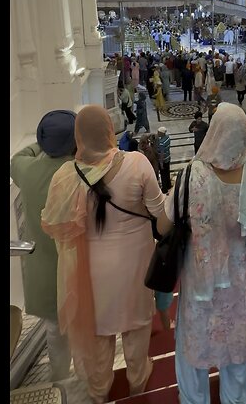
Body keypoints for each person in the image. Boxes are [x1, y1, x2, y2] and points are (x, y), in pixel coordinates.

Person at [41, 106, 174, 403]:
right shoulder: (138, 163)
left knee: (100, 334)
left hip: (91, 271)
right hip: (135, 265)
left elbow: (51, 222)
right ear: (108, 130)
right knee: (137, 327)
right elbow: (161, 218)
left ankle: (99, 390)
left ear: (79, 136)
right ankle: (137, 381)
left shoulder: (66, 175)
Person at [169, 103, 246, 404]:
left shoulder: (192, 175)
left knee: (195, 346)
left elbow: (167, 219)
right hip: (245, 283)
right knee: (239, 345)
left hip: (204, 282)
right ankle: (235, 398)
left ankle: (195, 400)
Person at [9, 110, 77, 382]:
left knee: (55, 332)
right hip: (78, 268)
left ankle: (60, 382)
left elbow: (17, 158)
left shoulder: (27, 170)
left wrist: (43, 140)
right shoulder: (78, 173)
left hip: (46, 273)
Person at [156, 127, 172, 194]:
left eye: (158, 132)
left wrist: (161, 163)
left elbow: (162, 153)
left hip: (163, 160)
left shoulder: (161, 142)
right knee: (167, 172)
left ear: (162, 133)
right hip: (168, 157)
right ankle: (169, 185)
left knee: (163, 174)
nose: (157, 133)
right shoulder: (167, 137)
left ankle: (164, 189)